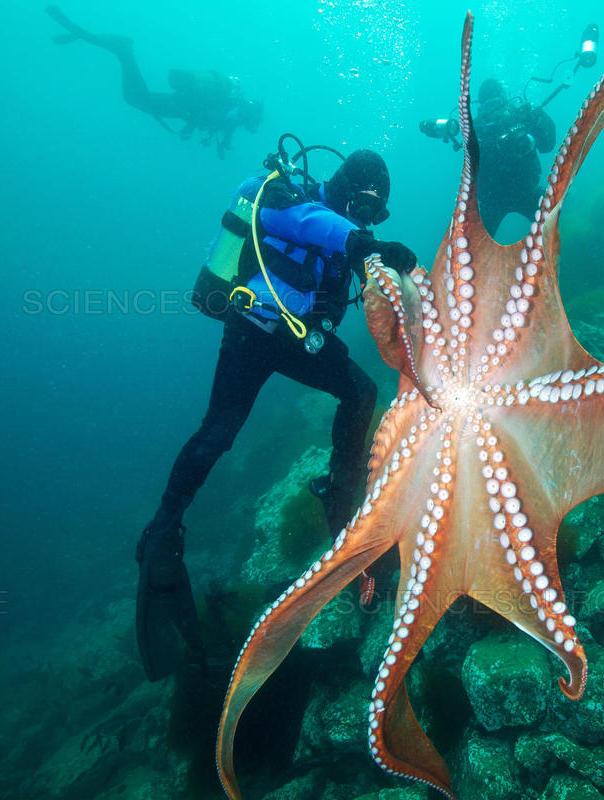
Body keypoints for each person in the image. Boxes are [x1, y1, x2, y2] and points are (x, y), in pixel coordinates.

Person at [136, 148, 418, 680]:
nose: (365, 219)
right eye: (363, 206)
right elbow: (303, 222)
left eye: (374, 214)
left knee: (359, 393)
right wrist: (365, 243)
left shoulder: (351, 234)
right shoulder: (287, 195)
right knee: (220, 430)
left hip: (296, 339)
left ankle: (339, 495)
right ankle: (164, 528)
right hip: (252, 329)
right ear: (345, 188)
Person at [46, 6, 263, 158]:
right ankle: (124, 51)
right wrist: (189, 128)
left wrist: (224, 143)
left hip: (179, 104)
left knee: (138, 99)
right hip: (179, 105)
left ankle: (122, 52)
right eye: (254, 124)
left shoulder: (235, 113)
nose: (252, 128)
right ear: (251, 116)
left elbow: (223, 123)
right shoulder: (235, 113)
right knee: (136, 98)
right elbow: (204, 112)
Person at [469, 79, 557, 236]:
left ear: (505, 101)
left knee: (554, 228)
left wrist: (539, 117)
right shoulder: (477, 130)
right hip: (492, 201)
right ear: (481, 109)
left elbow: (547, 145)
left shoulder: (521, 116)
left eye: (497, 103)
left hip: (527, 191)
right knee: (473, 243)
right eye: (489, 106)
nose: (494, 110)